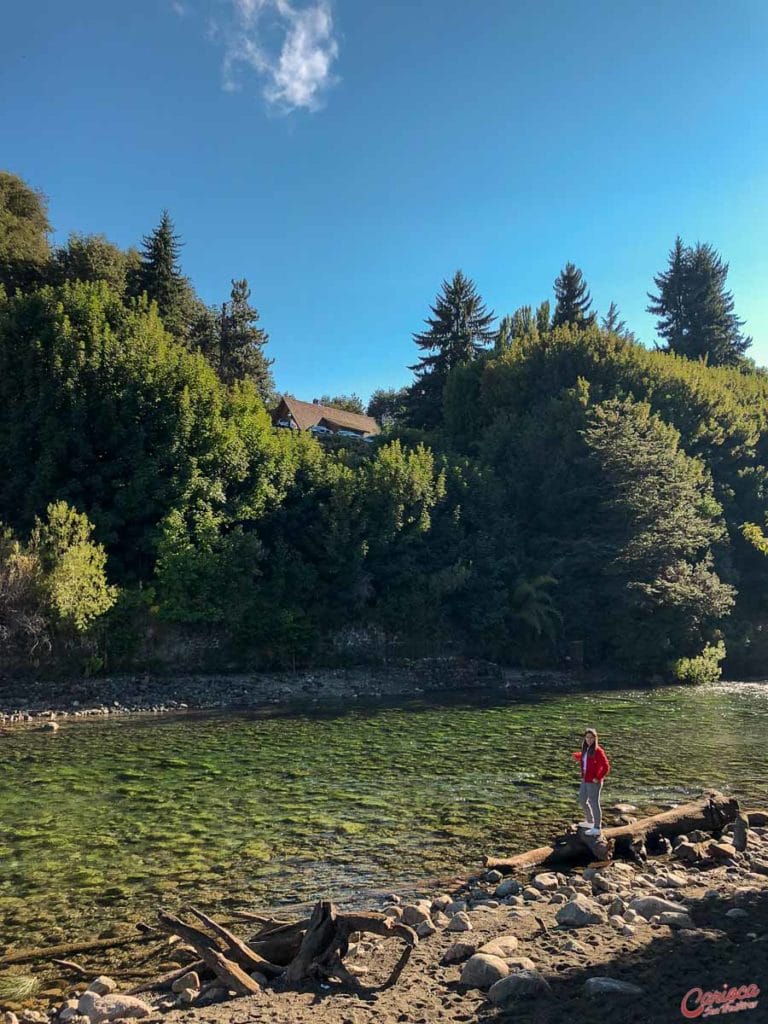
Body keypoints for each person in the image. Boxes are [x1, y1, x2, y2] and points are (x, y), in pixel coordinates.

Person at [571, 727, 610, 835]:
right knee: (582, 800)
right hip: (585, 779)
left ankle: (597, 828)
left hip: (594, 781)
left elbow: (606, 766)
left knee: (594, 803)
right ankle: (590, 821)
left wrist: (598, 777)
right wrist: (577, 756)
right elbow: (585, 758)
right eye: (587, 737)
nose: (589, 740)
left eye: (591, 738)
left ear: (595, 738)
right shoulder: (585, 748)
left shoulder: (598, 751)